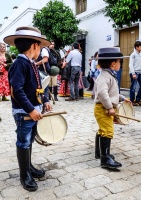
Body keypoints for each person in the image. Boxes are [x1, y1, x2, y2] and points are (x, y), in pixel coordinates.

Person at [4, 26, 52, 192]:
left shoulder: (31, 63)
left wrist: (44, 100)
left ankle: (29, 167)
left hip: (34, 110)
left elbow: (37, 87)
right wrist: (31, 110)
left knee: (30, 140)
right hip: (24, 112)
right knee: (23, 141)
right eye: (40, 46)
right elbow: (17, 90)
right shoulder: (19, 64)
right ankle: (24, 175)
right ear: (34, 46)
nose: (40, 49)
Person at [94, 47, 130, 169]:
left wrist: (122, 98)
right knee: (108, 131)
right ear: (113, 63)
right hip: (103, 108)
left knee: (102, 130)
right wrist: (110, 107)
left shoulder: (109, 75)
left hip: (104, 108)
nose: (120, 64)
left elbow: (111, 93)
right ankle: (105, 159)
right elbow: (102, 93)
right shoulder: (104, 76)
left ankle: (100, 153)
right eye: (119, 61)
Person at [129, 41, 141, 106]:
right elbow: (130, 64)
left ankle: (138, 99)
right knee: (133, 87)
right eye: (140, 46)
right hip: (134, 72)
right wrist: (133, 73)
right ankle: (132, 100)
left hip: (140, 72)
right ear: (137, 47)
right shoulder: (133, 54)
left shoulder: (140, 54)